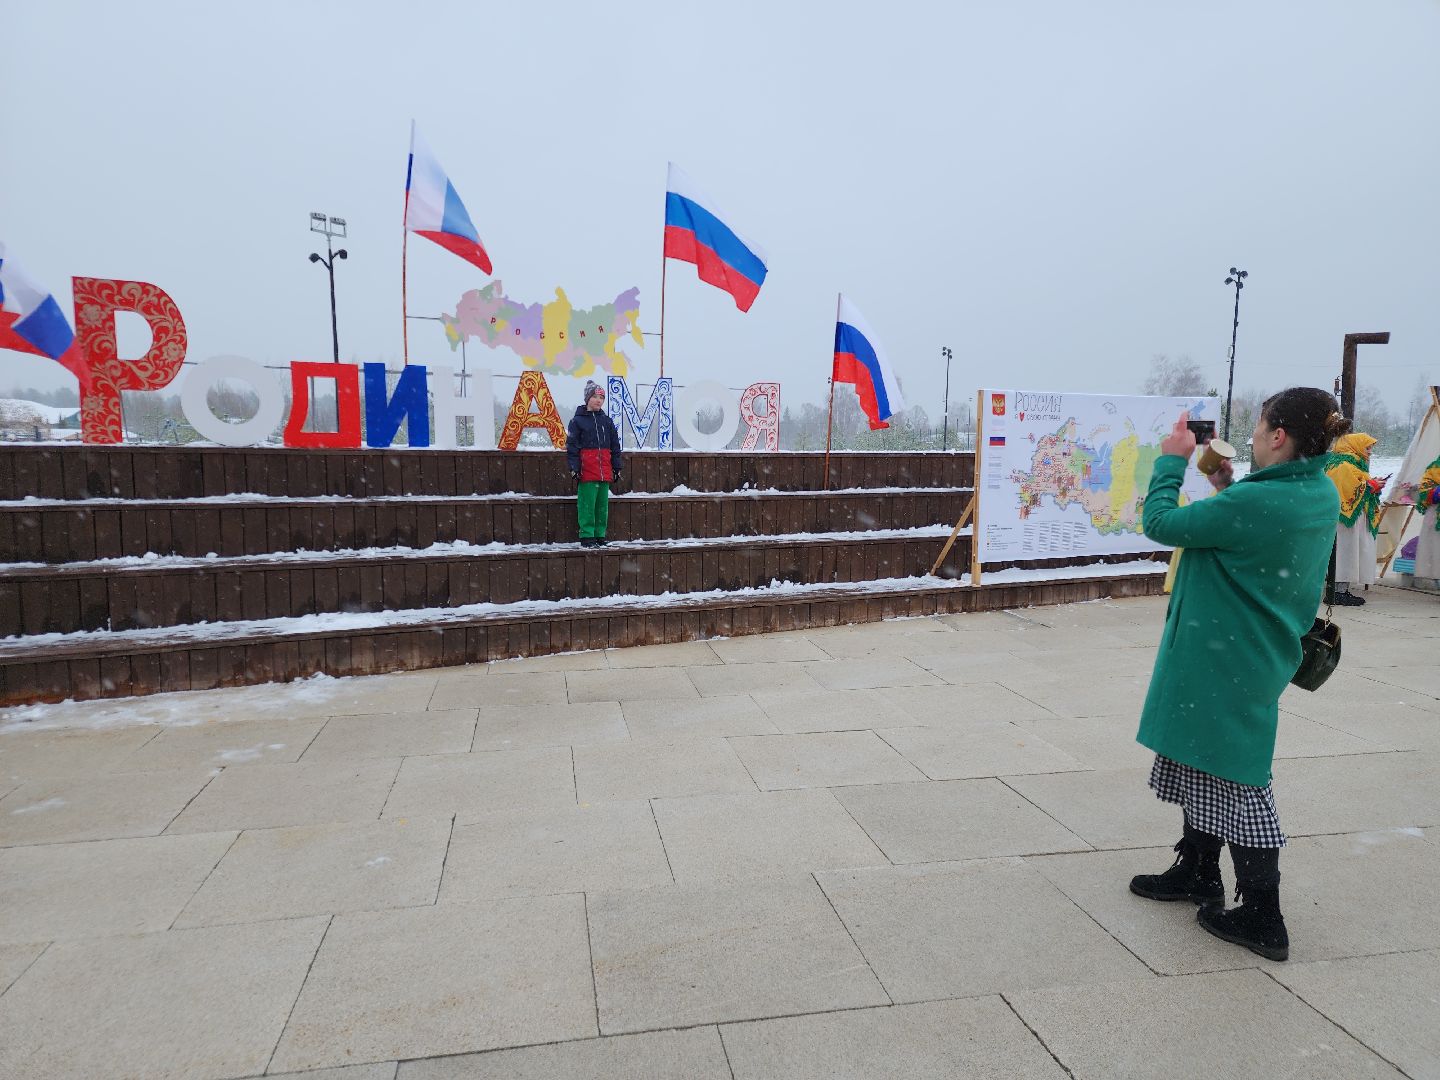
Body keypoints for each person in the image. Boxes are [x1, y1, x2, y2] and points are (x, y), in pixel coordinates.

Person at [1129, 387, 1347, 962]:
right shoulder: (1314, 490)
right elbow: (1254, 531)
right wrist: (1225, 483)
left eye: (1258, 425)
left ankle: (1262, 914)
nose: (1250, 434)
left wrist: (1173, 460)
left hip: (1226, 658)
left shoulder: (1261, 502)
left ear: (1279, 436)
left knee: (1239, 781)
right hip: (1247, 652)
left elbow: (1161, 522)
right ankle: (1198, 871)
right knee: (1205, 760)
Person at [1324, 432, 1383, 605]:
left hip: (1348, 518)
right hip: (1344, 520)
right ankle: (1337, 592)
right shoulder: (1343, 465)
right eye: (1367, 447)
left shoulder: (1350, 463)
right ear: (1354, 445)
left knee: (1346, 553)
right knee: (1344, 553)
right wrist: (1371, 485)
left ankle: (1341, 590)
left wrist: (1372, 485)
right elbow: (1346, 491)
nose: (1370, 451)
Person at [565, 380, 623, 548]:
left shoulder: (607, 422)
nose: (599, 400)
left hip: (604, 470)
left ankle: (599, 534)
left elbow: (615, 446)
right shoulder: (577, 421)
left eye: (602, 397)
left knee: (602, 506)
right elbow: (572, 447)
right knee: (587, 504)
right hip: (587, 470)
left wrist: (616, 466)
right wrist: (574, 468)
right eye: (596, 396)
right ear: (588, 398)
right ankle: (587, 535)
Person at [1414, 453, 1440, 581]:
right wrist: (1435, 493)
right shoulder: (1434, 468)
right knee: (1436, 550)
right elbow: (1424, 491)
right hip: (1436, 516)